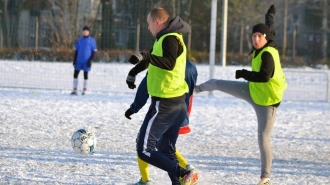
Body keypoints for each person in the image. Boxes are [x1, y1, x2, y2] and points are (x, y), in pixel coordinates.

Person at [194, 5, 287, 185]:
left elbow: (263, 76)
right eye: (254, 36)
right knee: (217, 83)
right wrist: (269, 16)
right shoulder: (266, 41)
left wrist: (244, 73)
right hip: (252, 90)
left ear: (265, 38)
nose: (256, 39)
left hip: (268, 102)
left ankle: (265, 178)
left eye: (259, 36)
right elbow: (270, 29)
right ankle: (194, 90)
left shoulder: (268, 53)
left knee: (263, 138)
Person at [125, 8, 199, 185]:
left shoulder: (170, 38)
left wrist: (146, 56)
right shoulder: (165, 38)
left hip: (166, 105)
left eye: (149, 24)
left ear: (157, 22)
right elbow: (151, 60)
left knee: (144, 149)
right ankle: (180, 180)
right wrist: (133, 72)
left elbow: (168, 63)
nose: (148, 27)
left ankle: (183, 173)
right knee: (166, 150)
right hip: (177, 104)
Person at [125, 60, 198, 185]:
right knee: (166, 146)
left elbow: (145, 85)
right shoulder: (190, 65)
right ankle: (185, 173)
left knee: (143, 144)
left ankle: (147, 180)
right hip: (181, 108)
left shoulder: (161, 59)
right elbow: (189, 92)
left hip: (163, 108)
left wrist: (135, 107)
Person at [71, 26, 97, 95]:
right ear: (83, 32)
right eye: (84, 31)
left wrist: (90, 60)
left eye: (86, 31)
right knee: (75, 74)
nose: (85, 32)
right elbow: (76, 51)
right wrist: (74, 60)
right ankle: (74, 90)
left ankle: (84, 90)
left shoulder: (91, 40)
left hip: (87, 61)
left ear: (89, 32)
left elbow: (94, 51)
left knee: (85, 75)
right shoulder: (79, 40)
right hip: (79, 60)